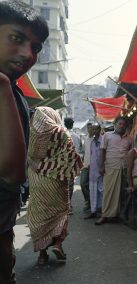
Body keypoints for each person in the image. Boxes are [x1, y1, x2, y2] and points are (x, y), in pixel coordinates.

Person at [0, 1, 49, 282]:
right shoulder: (6, 87)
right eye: (16, 38)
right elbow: (11, 172)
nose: (28, 54)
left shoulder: (13, 90)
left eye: (36, 47)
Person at [27, 106, 82, 264]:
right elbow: (71, 158)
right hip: (57, 180)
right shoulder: (62, 133)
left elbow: (28, 155)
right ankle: (58, 244)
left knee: (39, 215)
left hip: (37, 179)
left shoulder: (31, 133)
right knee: (61, 212)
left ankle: (42, 255)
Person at [96, 117, 132, 225]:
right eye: (120, 123)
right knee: (108, 191)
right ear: (115, 124)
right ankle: (104, 215)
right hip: (110, 166)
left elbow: (131, 154)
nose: (122, 126)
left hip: (123, 167)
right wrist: (101, 166)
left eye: (123, 124)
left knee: (120, 193)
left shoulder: (129, 139)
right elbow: (102, 151)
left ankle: (116, 214)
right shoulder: (107, 136)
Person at [85, 124, 104, 219]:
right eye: (93, 129)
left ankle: (102, 210)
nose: (94, 131)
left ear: (100, 129)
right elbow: (90, 155)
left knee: (101, 191)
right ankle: (93, 211)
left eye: (96, 129)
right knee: (92, 191)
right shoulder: (91, 141)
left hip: (101, 169)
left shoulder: (103, 140)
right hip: (92, 169)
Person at [64, 117, 82, 212]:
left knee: (62, 185)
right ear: (73, 124)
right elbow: (78, 151)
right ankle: (68, 205)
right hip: (72, 164)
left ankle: (65, 205)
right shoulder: (77, 136)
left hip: (62, 164)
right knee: (70, 186)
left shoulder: (61, 134)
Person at [80, 122, 93, 211]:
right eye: (88, 128)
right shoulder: (86, 138)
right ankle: (88, 201)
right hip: (85, 165)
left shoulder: (96, 139)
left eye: (91, 128)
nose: (89, 130)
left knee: (92, 186)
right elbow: (85, 152)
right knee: (82, 183)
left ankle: (92, 203)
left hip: (94, 166)